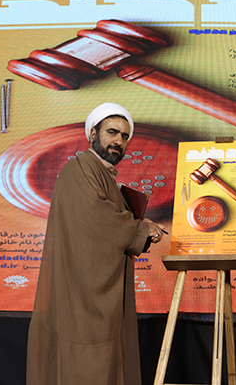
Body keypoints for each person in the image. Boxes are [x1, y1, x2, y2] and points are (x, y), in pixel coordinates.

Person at [26, 103, 166, 385]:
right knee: (86, 364)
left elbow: (109, 218)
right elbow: (98, 219)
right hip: (82, 297)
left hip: (97, 294)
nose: (119, 141)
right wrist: (141, 228)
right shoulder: (80, 169)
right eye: (112, 132)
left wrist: (139, 223)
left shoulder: (102, 174)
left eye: (125, 136)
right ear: (93, 133)